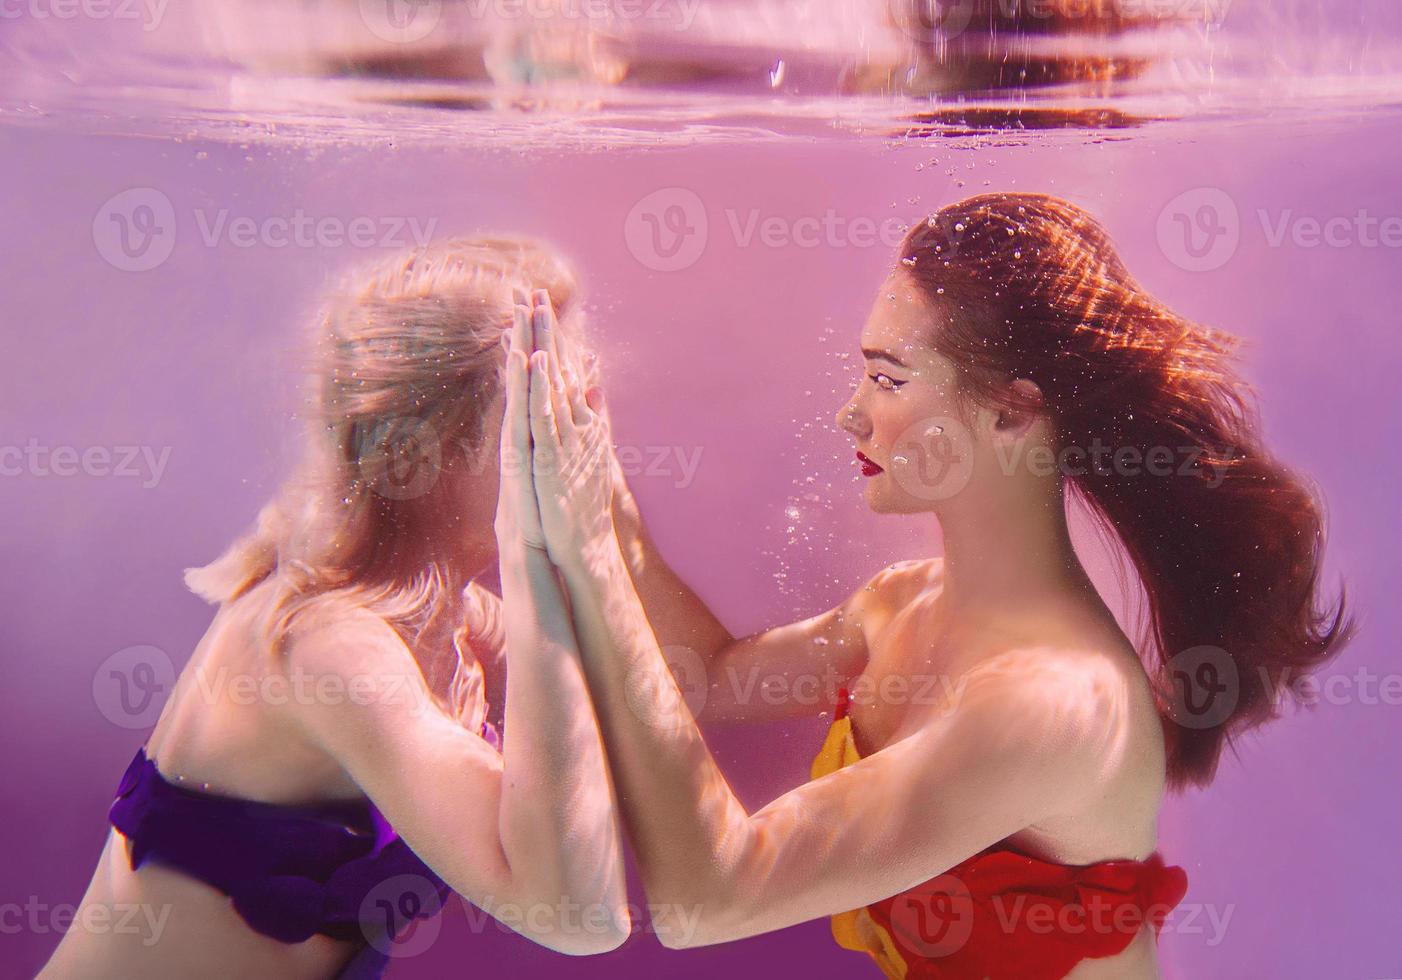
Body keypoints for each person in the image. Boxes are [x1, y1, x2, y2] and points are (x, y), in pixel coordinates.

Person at [518, 193, 1356, 978]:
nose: (851, 415)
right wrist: (600, 484)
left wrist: (588, 547)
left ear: (1009, 412)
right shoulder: (901, 602)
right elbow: (710, 674)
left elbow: (709, 897)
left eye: (887, 380)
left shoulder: (1056, 702)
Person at [43, 239, 630, 979]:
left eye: (581, 399)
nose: (580, 434)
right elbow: (583, 918)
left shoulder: (453, 622)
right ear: (415, 461)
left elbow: (656, 710)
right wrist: (538, 553)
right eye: (541, 415)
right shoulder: (329, 646)